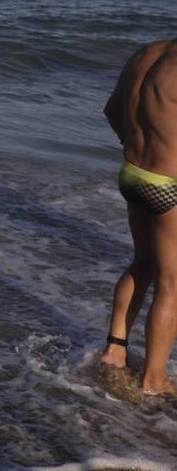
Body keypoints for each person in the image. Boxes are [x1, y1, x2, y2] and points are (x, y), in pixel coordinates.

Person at [100, 38, 177, 395]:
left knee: (143, 263)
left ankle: (115, 350)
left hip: (132, 173)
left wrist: (138, 149)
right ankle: (154, 380)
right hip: (169, 184)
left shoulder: (147, 53)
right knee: (171, 285)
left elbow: (113, 110)